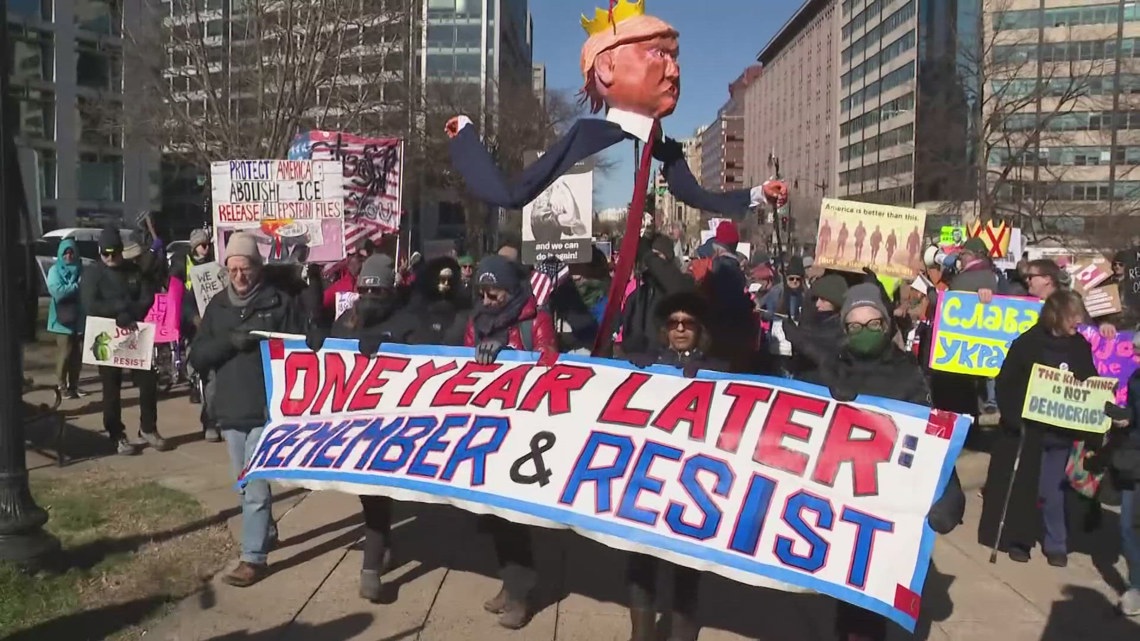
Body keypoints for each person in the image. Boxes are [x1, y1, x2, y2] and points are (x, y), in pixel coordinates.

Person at [786, 283, 965, 641]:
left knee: (871, 612)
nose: (865, 332)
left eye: (873, 324)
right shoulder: (829, 370)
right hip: (842, 509)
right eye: (855, 326)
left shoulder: (908, 374)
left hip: (888, 512)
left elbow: (931, 440)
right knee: (847, 607)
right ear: (844, 330)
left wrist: (949, 494)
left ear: (886, 326)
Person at [306, 253, 452, 602]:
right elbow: (331, 355)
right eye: (365, 290)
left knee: (377, 494)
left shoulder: (409, 320)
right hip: (355, 423)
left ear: (391, 290)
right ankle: (382, 545)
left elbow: (426, 360)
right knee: (369, 495)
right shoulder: (347, 320)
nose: (370, 298)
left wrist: (387, 347)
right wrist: (319, 338)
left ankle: (370, 567)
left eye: (378, 291)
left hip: (394, 424)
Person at [189, 232, 306, 587]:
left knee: (254, 485)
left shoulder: (280, 303)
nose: (239, 276)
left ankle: (253, 557)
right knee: (243, 483)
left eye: (245, 268)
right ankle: (264, 529)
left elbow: (303, 351)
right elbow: (197, 356)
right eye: (233, 269)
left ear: (258, 267)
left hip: (268, 407)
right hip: (230, 407)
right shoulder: (218, 308)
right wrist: (229, 341)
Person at [625, 291, 726, 641]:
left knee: (686, 566)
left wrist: (710, 376)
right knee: (640, 560)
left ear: (700, 330)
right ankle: (641, 634)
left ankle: (683, 634)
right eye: (673, 323)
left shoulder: (720, 371)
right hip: (648, 477)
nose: (680, 329)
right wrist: (629, 370)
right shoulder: (647, 363)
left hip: (690, 482)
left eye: (688, 324)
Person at [464, 254, 557, 629]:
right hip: (487, 426)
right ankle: (509, 582)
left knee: (513, 515)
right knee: (493, 517)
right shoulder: (476, 321)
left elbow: (549, 362)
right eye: (482, 294)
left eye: (494, 294)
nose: (486, 301)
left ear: (512, 290)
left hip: (523, 427)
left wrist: (507, 352)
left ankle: (521, 594)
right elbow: (464, 365)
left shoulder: (536, 319)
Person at [981, 290, 1097, 567]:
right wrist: (1013, 416)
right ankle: (1020, 540)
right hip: (1029, 431)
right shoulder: (1028, 343)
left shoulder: (1079, 345)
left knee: (1052, 491)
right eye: (1073, 315)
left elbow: (1090, 381)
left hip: (1061, 432)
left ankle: (1056, 543)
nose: (1078, 320)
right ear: (1057, 315)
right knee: (1025, 487)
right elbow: (1006, 381)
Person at [81, 227, 167, 455]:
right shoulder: (93, 273)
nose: (110, 258)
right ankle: (115, 433)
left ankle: (148, 427)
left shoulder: (133, 271)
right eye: (105, 253)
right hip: (106, 335)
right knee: (111, 388)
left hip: (133, 331)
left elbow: (146, 294)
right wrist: (117, 310)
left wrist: (133, 312)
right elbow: (90, 304)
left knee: (148, 380)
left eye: (114, 252)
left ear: (121, 251)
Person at [46, 238, 86, 399]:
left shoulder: (82, 269)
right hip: (61, 320)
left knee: (77, 356)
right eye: (65, 253)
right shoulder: (54, 271)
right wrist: (76, 286)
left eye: (71, 252)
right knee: (65, 355)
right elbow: (57, 292)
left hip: (79, 318)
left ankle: (74, 386)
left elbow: (88, 288)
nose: (69, 255)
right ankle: (61, 385)